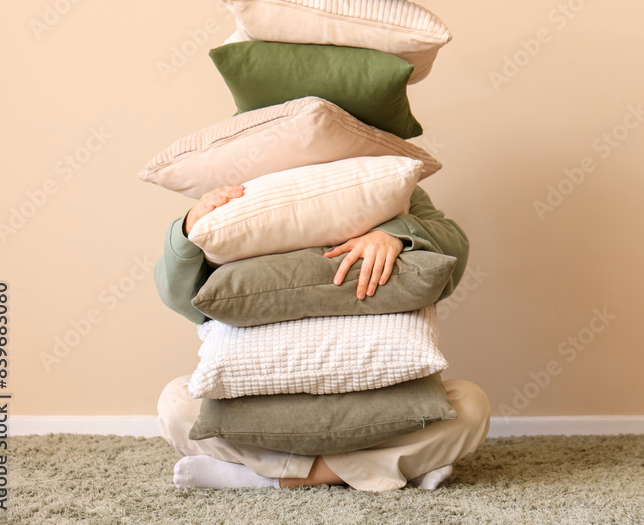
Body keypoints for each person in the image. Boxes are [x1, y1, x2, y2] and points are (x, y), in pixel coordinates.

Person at [154, 183, 491, 491]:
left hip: (383, 401)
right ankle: (383, 468)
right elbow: (184, 297)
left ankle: (265, 477)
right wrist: (186, 230)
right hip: (256, 403)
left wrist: (397, 233)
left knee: (471, 406)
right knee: (176, 404)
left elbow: (452, 252)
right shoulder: (239, 194)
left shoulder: (390, 186)